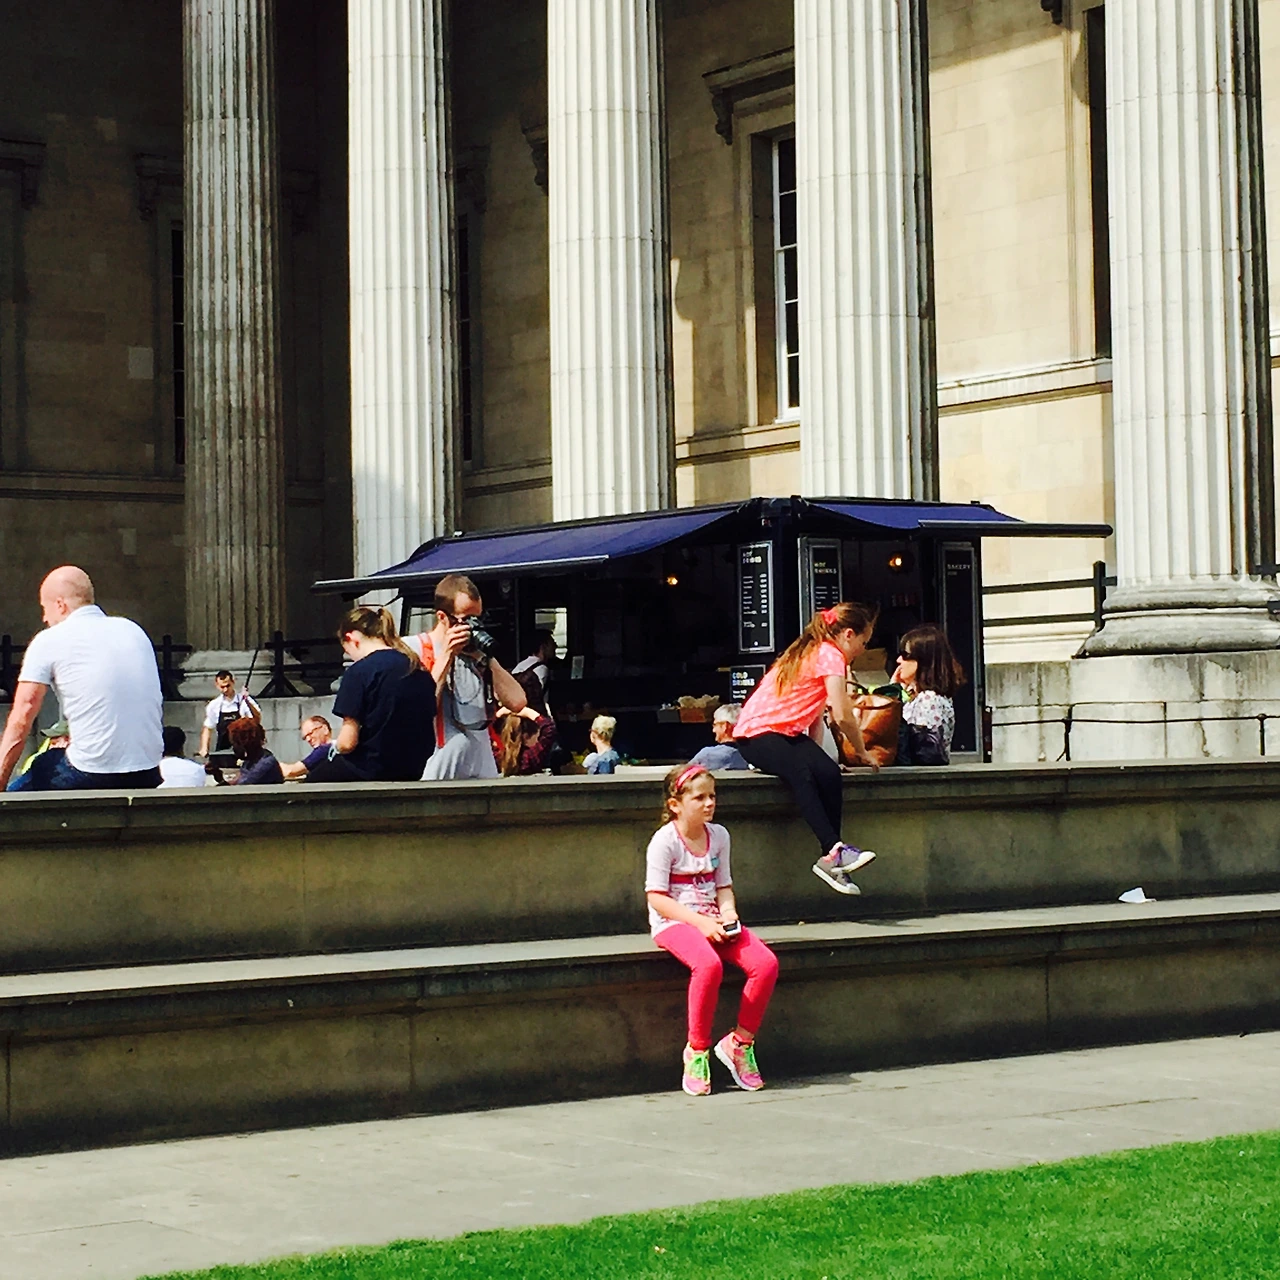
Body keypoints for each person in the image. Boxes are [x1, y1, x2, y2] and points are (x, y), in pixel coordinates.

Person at [646, 763, 779, 1096]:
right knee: (708, 965)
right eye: (699, 797)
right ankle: (697, 1050)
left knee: (765, 964)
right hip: (675, 923)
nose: (709, 803)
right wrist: (701, 923)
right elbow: (657, 898)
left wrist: (728, 914)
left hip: (713, 920)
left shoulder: (719, 836)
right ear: (675, 804)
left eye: (713, 796)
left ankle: (739, 1044)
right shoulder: (664, 841)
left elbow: (723, 887)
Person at [732, 602, 881, 896]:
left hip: (780, 734)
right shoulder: (831, 655)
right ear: (848, 635)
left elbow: (813, 715)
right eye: (864, 642)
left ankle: (833, 859)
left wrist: (819, 758)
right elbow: (842, 714)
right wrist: (862, 751)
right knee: (801, 772)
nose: (862, 650)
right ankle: (833, 850)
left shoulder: (813, 651)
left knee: (828, 772)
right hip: (757, 735)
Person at [0, 566, 163, 791]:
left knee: (42, 766)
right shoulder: (134, 631)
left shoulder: (49, 639)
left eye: (44, 608)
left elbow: (23, 714)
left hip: (90, 771)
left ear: (60, 604)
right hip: (148, 771)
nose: (44, 618)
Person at [411, 574, 525, 781]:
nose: (472, 627)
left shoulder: (476, 654)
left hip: (481, 768)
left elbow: (517, 702)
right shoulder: (414, 649)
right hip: (439, 768)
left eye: (478, 618)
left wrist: (487, 659)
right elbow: (421, 708)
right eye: (465, 620)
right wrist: (447, 654)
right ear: (442, 617)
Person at [306, 605, 436, 783]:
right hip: (413, 768)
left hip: (370, 768)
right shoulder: (417, 668)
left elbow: (347, 743)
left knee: (312, 782)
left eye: (347, 651)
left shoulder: (359, 672)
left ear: (351, 638)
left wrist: (332, 748)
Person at [893, 625, 965, 765]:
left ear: (923, 661)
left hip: (918, 776)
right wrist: (894, 690)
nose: (899, 660)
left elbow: (925, 751)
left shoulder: (929, 699)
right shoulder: (915, 696)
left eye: (905, 655)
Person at [493, 671, 558, 777]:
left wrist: (498, 714)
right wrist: (527, 712)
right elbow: (549, 728)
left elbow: (486, 732)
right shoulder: (532, 757)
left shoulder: (498, 756)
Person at [198, 671, 261, 759]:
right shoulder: (214, 705)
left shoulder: (244, 700)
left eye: (228, 686)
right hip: (222, 751)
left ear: (233, 682)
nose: (225, 690)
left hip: (244, 750)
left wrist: (247, 700)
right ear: (217, 685)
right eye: (222, 687)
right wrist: (204, 748)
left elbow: (257, 719)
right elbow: (208, 728)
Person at [209, 717, 283, 786]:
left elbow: (241, 788)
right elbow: (238, 782)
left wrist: (221, 781)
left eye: (235, 744)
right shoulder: (251, 761)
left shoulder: (265, 764)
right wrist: (219, 776)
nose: (233, 748)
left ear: (245, 744)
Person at [4, 720, 70, 792]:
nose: (51, 745)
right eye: (51, 740)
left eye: (56, 741)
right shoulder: (41, 760)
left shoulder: (49, 760)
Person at [689, 703, 749, 771]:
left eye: (715, 725)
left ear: (725, 726)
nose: (713, 730)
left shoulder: (708, 754)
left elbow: (684, 773)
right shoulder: (752, 755)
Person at [280, 715, 333, 781]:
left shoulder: (324, 750)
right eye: (305, 737)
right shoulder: (337, 750)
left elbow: (291, 771)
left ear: (325, 729)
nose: (308, 739)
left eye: (310, 733)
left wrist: (274, 765)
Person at [511, 629, 558, 698]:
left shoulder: (521, 665)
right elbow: (536, 695)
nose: (555, 646)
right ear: (543, 646)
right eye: (552, 643)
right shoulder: (542, 668)